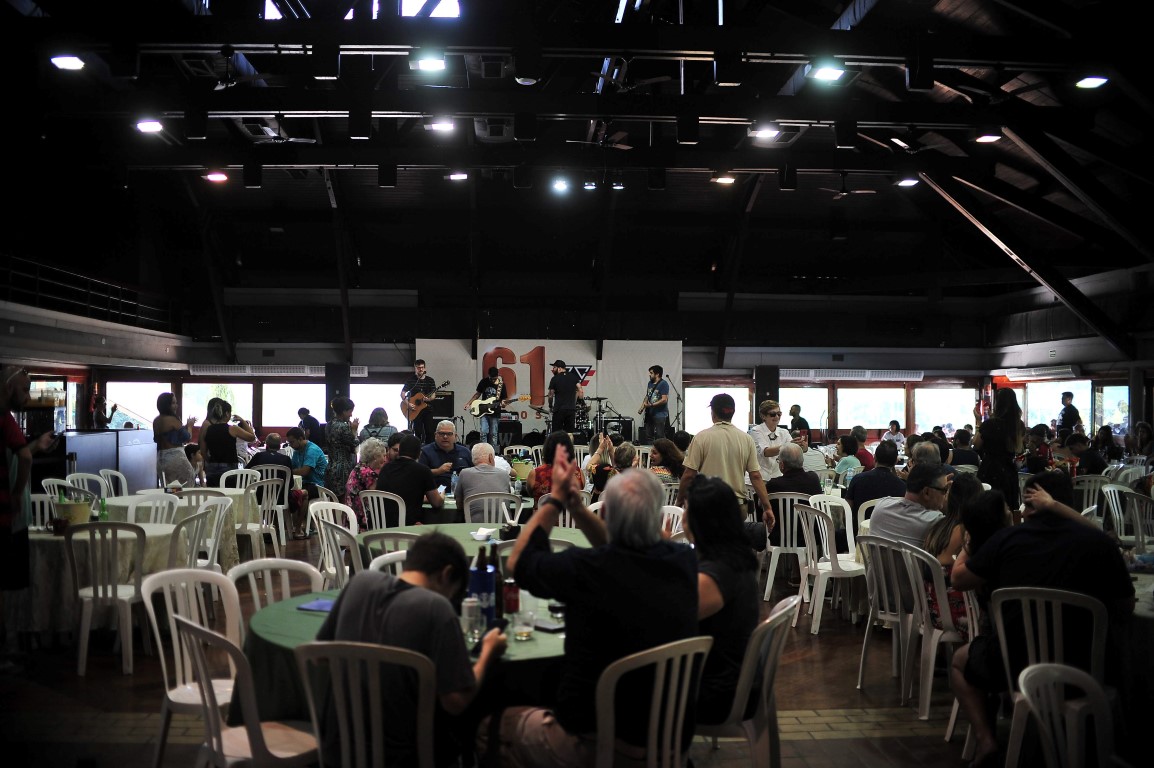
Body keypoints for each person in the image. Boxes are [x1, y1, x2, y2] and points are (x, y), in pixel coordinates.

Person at [484, 454, 698, 767]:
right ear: (659, 515)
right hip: (669, 738)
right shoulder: (684, 561)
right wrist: (577, 508)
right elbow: (619, 549)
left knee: (490, 724)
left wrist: (554, 502)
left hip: (594, 742)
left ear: (606, 513)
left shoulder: (587, 568)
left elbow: (518, 561)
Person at [949, 471, 1134, 767]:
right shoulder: (1098, 544)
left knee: (959, 661)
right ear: (1068, 503)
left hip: (1014, 668)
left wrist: (970, 542)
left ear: (1030, 504)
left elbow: (959, 580)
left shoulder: (1006, 540)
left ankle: (986, 741)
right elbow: (1125, 608)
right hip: (1084, 670)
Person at [317, 532, 507, 768]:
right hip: (407, 756)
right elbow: (456, 702)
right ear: (446, 574)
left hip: (338, 750)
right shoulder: (436, 607)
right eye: (453, 593)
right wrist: (488, 651)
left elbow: (321, 656)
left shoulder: (359, 582)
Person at [682, 474, 759, 725]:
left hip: (719, 693)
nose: (683, 517)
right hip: (736, 679)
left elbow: (670, 618)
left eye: (687, 510)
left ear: (701, 522)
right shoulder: (736, 558)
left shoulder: (716, 575)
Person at [678, 394, 774, 532]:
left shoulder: (701, 437)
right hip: (737, 507)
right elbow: (756, 476)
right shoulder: (746, 439)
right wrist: (767, 507)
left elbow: (688, 475)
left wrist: (679, 502)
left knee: (709, 542)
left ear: (713, 413)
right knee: (731, 542)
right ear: (732, 412)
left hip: (709, 506)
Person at [1, 366, 55, 593]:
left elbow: (17, 455)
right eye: (25, 390)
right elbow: (23, 457)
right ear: (8, 387)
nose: (28, 397)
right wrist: (15, 494)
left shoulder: (8, 421)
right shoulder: (5, 419)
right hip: (8, 514)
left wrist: (37, 445)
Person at [867, 464, 951, 548]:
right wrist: (950, 501)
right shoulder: (935, 522)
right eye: (944, 490)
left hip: (876, 557)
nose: (945, 494)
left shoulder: (881, 506)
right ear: (927, 492)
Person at [973, 388, 1025, 509]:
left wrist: (979, 421)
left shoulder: (989, 424)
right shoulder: (1019, 425)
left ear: (997, 404)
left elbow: (976, 444)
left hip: (990, 468)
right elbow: (1018, 448)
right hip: (1009, 469)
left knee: (987, 506)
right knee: (1008, 504)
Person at [376, 434, 443, 527]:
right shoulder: (423, 471)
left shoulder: (385, 468)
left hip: (382, 526)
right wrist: (442, 496)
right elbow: (436, 503)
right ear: (419, 453)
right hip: (409, 526)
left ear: (400, 451)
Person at [201, 399, 256, 488]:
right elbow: (252, 437)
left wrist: (210, 461)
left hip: (212, 466)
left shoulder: (208, 429)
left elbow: (203, 451)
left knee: (213, 494)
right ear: (227, 414)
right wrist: (242, 421)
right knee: (229, 494)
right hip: (229, 466)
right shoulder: (232, 429)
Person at [844, 439, 906, 518]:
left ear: (874, 457)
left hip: (859, 525)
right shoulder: (902, 486)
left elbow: (846, 511)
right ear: (895, 462)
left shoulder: (857, 479)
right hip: (888, 526)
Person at [455, 442, 514, 522]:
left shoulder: (464, 473)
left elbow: (459, 505)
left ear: (473, 458)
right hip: (503, 526)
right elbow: (508, 499)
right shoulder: (504, 474)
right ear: (491, 457)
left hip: (473, 526)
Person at [286, 426, 328, 538]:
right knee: (287, 492)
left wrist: (290, 471)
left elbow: (304, 471)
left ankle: (298, 527)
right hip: (305, 483)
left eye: (292, 442)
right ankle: (291, 525)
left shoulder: (312, 450)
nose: (290, 445)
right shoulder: (298, 451)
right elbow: (292, 468)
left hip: (318, 485)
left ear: (300, 439)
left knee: (302, 494)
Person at [526, 430, 585, 508]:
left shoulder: (535, 474)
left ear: (547, 449)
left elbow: (531, 494)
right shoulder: (578, 472)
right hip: (572, 515)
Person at [153, 392, 197, 486]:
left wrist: (185, 426)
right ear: (166, 405)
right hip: (175, 459)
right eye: (173, 403)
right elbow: (187, 437)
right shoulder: (172, 419)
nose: (176, 406)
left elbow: (167, 436)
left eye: (176, 403)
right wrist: (190, 426)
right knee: (185, 488)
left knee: (169, 490)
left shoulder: (156, 421)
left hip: (161, 459)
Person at [345, 437, 388, 529]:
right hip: (362, 521)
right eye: (383, 456)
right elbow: (377, 498)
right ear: (375, 456)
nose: (385, 460)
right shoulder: (368, 474)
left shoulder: (357, 468)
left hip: (350, 518)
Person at [418, 420, 473, 491]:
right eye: (441, 433)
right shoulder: (425, 451)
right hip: (434, 493)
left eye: (449, 434)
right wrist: (438, 471)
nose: (445, 437)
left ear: (455, 436)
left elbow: (474, 472)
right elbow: (419, 474)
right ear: (435, 435)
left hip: (462, 492)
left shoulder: (465, 451)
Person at [751, 399, 797, 481]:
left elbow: (792, 451)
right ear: (763, 416)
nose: (777, 417)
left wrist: (802, 447)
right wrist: (788, 446)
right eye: (773, 414)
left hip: (778, 477)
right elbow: (766, 452)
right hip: (760, 478)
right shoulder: (756, 431)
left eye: (779, 414)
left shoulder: (784, 432)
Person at [324, 396, 359, 503]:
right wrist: (354, 430)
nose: (351, 415)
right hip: (342, 469)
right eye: (350, 411)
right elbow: (355, 445)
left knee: (332, 500)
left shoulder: (329, 424)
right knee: (343, 501)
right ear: (343, 411)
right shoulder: (343, 427)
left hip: (331, 466)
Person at [465, 367, 510, 449]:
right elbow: (477, 394)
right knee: (483, 432)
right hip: (483, 411)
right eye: (491, 378)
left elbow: (504, 399)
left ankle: (493, 452)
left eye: (494, 379)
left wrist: (504, 404)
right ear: (488, 375)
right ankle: (484, 450)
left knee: (493, 434)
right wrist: (469, 403)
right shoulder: (484, 382)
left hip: (495, 412)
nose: (493, 380)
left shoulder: (501, 385)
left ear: (498, 375)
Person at [246, 433, 294, 506]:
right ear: (279, 446)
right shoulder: (286, 459)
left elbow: (246, 473)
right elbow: (291, 484)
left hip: (259, 496)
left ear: (266, 444)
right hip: (280, 498)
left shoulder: (258, 456)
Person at [401, 359, 441, 443]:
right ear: (415, 368)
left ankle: (428, 447)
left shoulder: (430, 380)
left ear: (425, 368)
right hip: (415, 409)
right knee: (417, 431)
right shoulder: (411, 380)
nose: (421, 369)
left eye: (422, 367)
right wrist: (408, 404)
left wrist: (429, 399)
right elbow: (402, 393)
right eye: (418, 368)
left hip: (427, 409)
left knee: (429, 431)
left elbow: (433, 394)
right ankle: (417, 448)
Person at [547, 360, 582, 434]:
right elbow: (580, 390)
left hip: (559, 410)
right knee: (569, 434)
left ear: (559, 368)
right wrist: (578, 402)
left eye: (554, 367)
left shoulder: (554, 379)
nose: (553, 369)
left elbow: (550, 395)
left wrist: (550, 405)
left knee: (556, 434)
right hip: (571, 410)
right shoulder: (574, 377)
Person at [637, 364, 670, 444]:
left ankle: (661, 451)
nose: (649, 374)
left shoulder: (663, 384)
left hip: (660, 414)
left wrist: (651, 405)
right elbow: (648, 395)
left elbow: (664, 400)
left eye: (651, 373)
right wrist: (642, 407)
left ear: (657, 374)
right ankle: (650, 451)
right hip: (650, 413)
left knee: (660, 435)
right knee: (648, 435)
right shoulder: (650, 383)